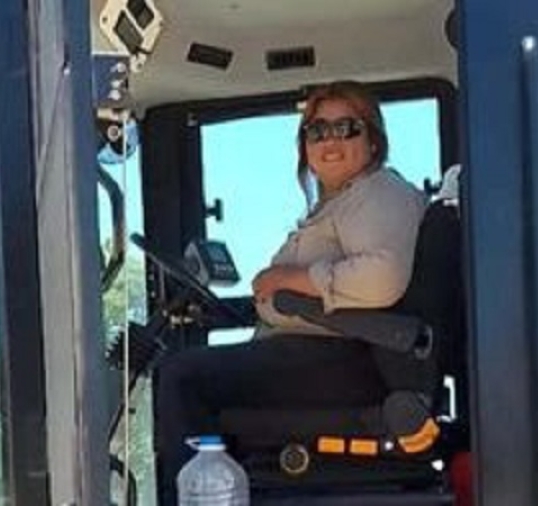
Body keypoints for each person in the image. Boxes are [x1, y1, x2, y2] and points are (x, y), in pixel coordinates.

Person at [155, 80, 426, 504]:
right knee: (193, 375)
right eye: (316, 131)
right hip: (317, 354)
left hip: (345, 360)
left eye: (345, 128)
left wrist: (288, 279)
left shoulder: (380, 193)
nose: (329, 141)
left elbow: (381, 278)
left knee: (181, 377)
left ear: (373, 140)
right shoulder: (340, 203)